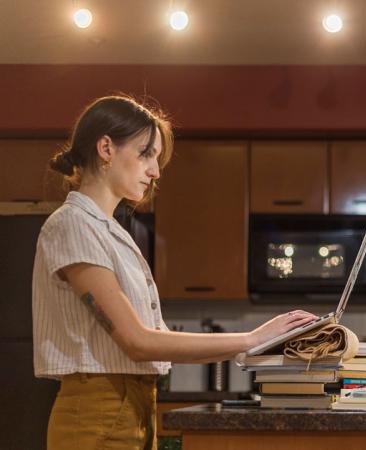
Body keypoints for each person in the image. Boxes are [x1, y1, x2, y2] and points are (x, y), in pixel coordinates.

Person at [32, 95, 317, 450]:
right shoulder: (73, 224)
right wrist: (250, 339)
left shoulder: (112, 232)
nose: (156, 171)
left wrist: (260, 348)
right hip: (95, 412)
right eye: (146, 153)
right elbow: (136, 341)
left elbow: (157, 337)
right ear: (105, 147)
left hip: (134, 407)